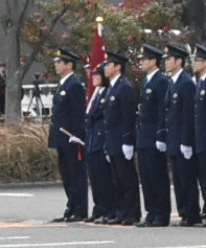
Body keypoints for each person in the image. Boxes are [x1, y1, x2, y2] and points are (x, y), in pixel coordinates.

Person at [90, 52, 138, 225]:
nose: (106, 68)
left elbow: (127, 117)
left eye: (109, 64)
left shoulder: (123, 86)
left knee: (127, 178)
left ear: (118, 67)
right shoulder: (112, 86)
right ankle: (121, 212)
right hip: (111, 139)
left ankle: (132, 212)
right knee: (116, 179)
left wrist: (127, 140)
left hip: (120, 139)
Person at [45, 52, 89, 223]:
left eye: (60, 62)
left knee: (75, 173)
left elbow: (78, 113)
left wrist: (78, 134)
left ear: (69, 65)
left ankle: (80, 209)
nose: (56, 65)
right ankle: (71, 206)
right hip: (61, 136)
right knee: (66, 173)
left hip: (71, 136)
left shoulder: (74, 84)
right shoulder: (63, 84)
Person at [167, 43, 205, 228]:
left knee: (187, 178)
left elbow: (188, 114)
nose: (166, 62)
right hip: (174, 138)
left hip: (183, 139)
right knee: (179, 180)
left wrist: (187, 140)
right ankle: (183, 212)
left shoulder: (186, 83)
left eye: (169, 59)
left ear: (178, 61)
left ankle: (192, 213)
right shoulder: (173, 82)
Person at [135, 46, 174, 228]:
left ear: (153, 61)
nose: (141, 62)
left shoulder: (160, 81)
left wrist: (161, 134)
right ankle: (151, 211)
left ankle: (161, 213)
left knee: (157, 175)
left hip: (153, 135)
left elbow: (161, 111)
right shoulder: (147, 81)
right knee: (147, 176)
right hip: (144, 135)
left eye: (144, 59)